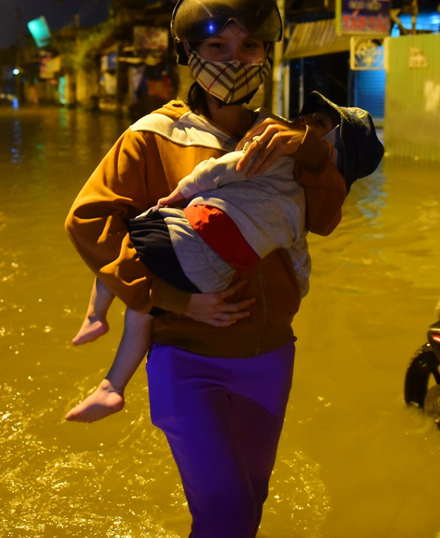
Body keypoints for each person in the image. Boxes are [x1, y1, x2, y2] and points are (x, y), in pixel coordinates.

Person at [64, 0, 350, 538]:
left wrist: (309, 148)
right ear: (189, 56)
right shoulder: (152, 138)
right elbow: (90, 223)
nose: (235, 60)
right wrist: (173, 299)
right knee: (227, 516)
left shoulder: (285, 139)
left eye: (249, 46)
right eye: (217, 47)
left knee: (250, 503)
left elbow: (326, 219)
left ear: (268, 53)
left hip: (270, 353)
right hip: (186, 357)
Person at [66, 91, 383, 422]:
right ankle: (110, 380)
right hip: (214, 295)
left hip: (195, 257)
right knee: (141, 292)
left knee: (132, 243)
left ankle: (98, 329)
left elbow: (223, 169)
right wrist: (295, 292)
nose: (302, 123)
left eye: (316, 124)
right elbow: (299, 257)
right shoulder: (158, 131)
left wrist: (183, 190)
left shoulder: (276, 148)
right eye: (306, 118)